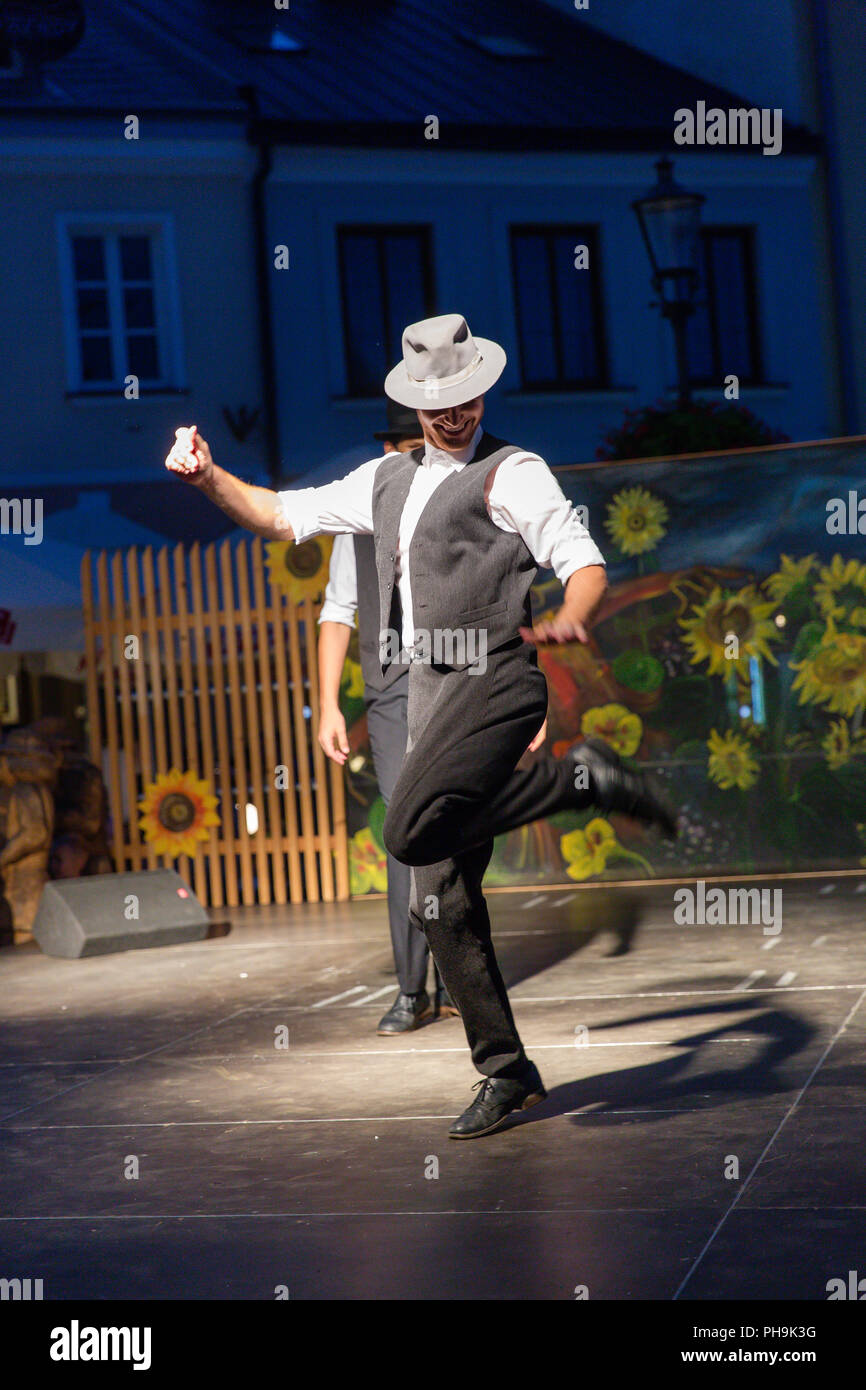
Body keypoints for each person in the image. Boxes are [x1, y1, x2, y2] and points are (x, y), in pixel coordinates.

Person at [165, 313, 675, 1139]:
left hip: (497, 682)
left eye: (468, 398)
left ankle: (579, 779)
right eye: (441, 404)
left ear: (482, 390)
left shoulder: (515, 473)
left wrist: (574, 618)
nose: (457, 414)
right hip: (432, 695)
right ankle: (508, 1073)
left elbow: (583, 563)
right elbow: (276, 514)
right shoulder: (381, 482)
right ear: (415, 404)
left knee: (406, 836)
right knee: (439, 903)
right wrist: (207, 477)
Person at [317, 402, 459, 1033]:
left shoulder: (459, 506)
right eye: (392, 450)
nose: (396, 461)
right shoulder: (359, 519)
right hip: (393, 689)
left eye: (409, 450)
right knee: (405, 831)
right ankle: (412, 988)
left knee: (458, 828)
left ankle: (459, 978)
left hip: (460, 679)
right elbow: (338, 610)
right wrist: (327, 706)